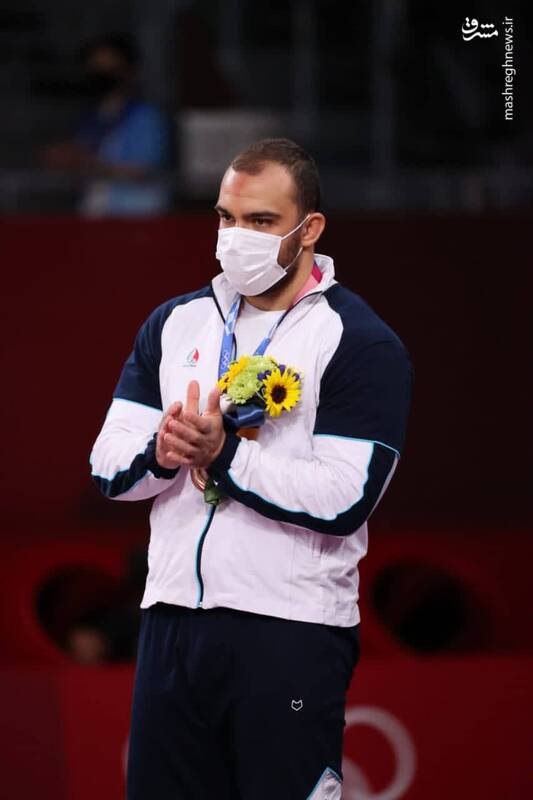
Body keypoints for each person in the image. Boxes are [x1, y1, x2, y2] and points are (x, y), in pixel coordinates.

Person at [90, 138, 414, 799]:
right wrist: (163, 450)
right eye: (226, 217)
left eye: (261, 221)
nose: (236, 236)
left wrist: (226, 455)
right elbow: (106, 462)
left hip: (289, 630)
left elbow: (344, 497)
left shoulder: (359, 342)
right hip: (172, 620)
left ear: (309, 228)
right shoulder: (175, 323)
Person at [42, 33, 171, 216]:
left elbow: (142, 170)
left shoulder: (146, 118)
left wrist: (84, 161)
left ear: (129, 71)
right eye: (96, 69)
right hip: (96, 213)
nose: (103, 76)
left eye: (111, 69)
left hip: (137, 216)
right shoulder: (89, 119)